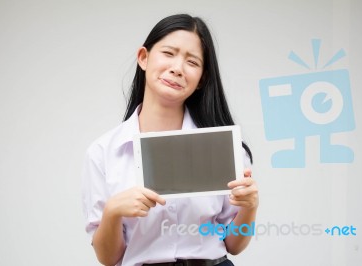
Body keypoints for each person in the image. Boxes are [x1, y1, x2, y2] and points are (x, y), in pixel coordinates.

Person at [82, 14, 259, 266]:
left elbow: (235, 245)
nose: (177, 68)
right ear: (143, 58)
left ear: (202, 79)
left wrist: (250, 207)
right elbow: (107, 259)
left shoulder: (224, 149)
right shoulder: (103, 152)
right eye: (168, 53)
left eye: (192, 62)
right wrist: (112, 211)